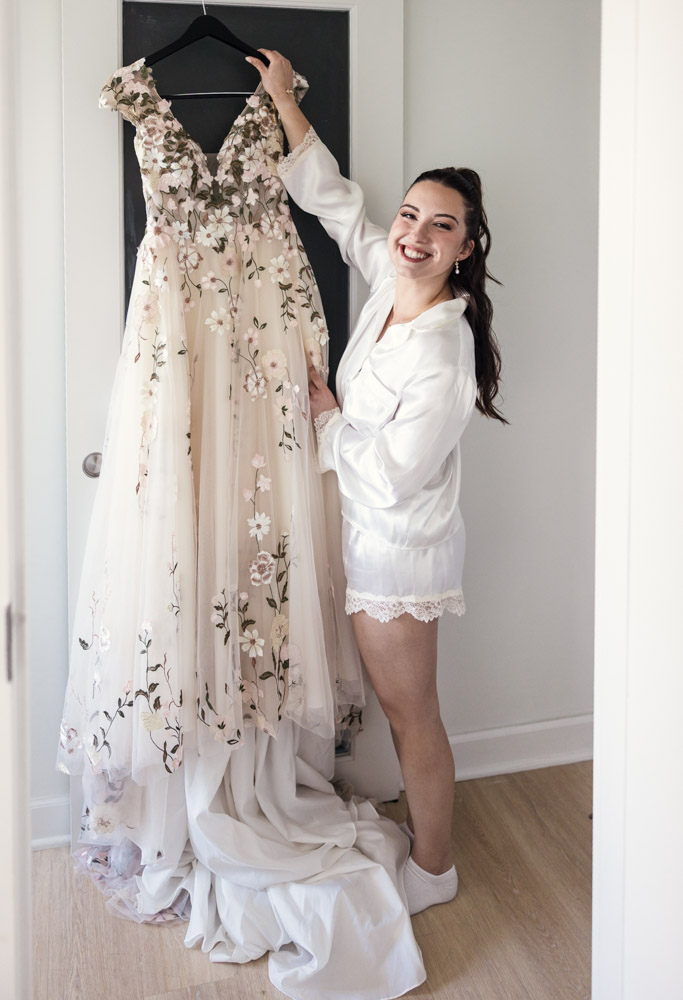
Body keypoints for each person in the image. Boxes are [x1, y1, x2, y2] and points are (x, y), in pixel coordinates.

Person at [246, 48, 507, 915]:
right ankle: (425, 845)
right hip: (366, 535)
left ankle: (434, 872)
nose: (414, 234)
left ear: (465, 248)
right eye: (411, 216)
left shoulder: (443, 344)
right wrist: (283, 100)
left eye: (439, 226)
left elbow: (395, 474)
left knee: (412, 718)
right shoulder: (393, 285)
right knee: (404, 713)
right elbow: (336, 205)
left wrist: (328, 421)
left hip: (399, 555)